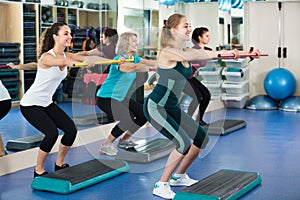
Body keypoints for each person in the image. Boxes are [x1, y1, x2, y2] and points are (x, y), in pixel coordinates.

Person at [143, 14, 249, 199]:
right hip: (157, 106)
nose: (189, 29)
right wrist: (219, 53)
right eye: (186, 26)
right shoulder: (168, 52)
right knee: (183, 142)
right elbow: (194, 54)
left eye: (189, 25)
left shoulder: (184, 50)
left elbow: (201, 53)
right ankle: (161, 184)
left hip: (171, 106)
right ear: (174, 29)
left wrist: (233, 53)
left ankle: (179, 176)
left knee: (201, 137)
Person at [19, 22, 111, 178]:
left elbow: (85, 55)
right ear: (55, 37)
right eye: (66, 34)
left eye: (70, 33)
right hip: (30, 104)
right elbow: (62, 62)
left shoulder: (66, 54)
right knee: (51, 133)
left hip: (46, 103)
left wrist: (109, 58)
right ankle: (38, 169)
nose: (70, 37)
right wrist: (73, 63)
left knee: (70, 130)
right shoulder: (47, 57)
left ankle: (59, 163)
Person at [97, 32, 157, 156]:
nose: (137, 43)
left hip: (120, 97)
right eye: (134, 41)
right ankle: (106, 145)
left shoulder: (135, 58)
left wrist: (167, 63)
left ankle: (124, 140)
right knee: (127, 119)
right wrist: (150, 68)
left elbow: (151, 62)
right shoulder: (118, 60)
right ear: (126, 43)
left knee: (143, 115)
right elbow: (133, 68)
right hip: (106, 97)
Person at [183, 27, 212, 125]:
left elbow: (218, 53)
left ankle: (199, 119)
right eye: (206, 36)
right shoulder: (194, 50)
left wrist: (235, 53)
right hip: (183, 78)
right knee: (197, 96)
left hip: (190, 77)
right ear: (199, 38)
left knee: (206, 95)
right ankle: (188, 120)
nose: (209, 38)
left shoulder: (206, 50)